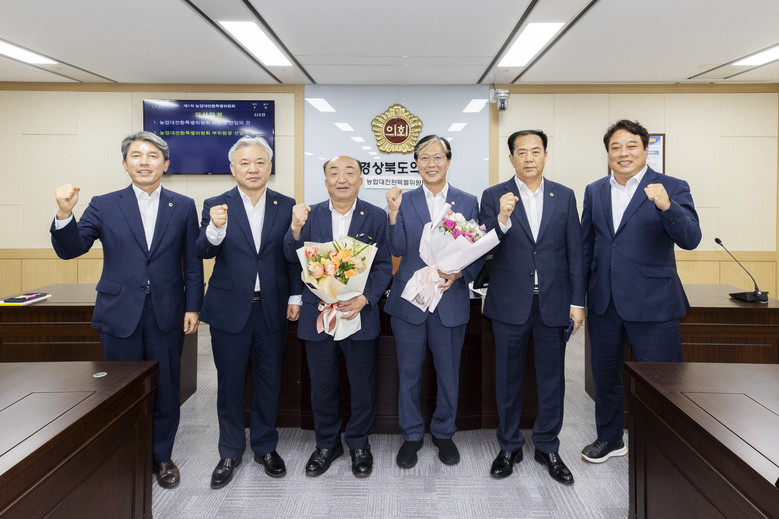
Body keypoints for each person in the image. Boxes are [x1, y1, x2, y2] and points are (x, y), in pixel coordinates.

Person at [51, 131, 203, 489]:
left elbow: (192, 262)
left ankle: (161, 456)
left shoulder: (183, 206)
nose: (144, 162)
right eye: (136, 155)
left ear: (166, 164)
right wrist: (64, 213)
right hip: (119, 312)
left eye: (153, 156)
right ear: (125, 164)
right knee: (119, 388)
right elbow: (71, 249)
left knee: (166, 387)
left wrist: (193, 306)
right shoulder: (104, 204)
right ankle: (124, 455)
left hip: (167, 311)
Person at [581, 119, 701, 463]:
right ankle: (609, 438)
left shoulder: (671, 187)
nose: (624, 153)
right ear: (608, 153)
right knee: (606, 376)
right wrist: (579, 298)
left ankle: (663, 445)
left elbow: (691, 239)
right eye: (616, 147)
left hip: (654, 303)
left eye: (632, 146)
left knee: (661, 379)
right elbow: (587, 246)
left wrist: (667, 206)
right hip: (604, 302)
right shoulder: (595, 190)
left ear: (646, 150)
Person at [479, 129, 584, 484]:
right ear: (511, 159)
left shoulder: (564, 195)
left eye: (535, 151)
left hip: (553, 302)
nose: (528, 158)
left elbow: (575, 252)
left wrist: (577, 302)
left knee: (552, 379)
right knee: (507, 379)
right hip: (509, 302)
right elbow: (481, 247)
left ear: (545, 155)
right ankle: (509, 446)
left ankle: (547, 446)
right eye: (521, 152)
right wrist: (502, 219)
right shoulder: (494, 195)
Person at [197, 136, 301, 489]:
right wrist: (215, 227)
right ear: (233, 168)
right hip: (229, 310)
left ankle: (265, 446)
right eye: (244, 163)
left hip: (271, 308)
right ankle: (229, 451)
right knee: (229, 383)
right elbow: (202, 251)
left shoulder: (286, 205)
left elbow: (293, 257)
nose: (252, 169)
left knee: (269, 381)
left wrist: (296, 296)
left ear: (270, 166)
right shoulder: (216, 205)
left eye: (259, 162)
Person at [284, 155, 392, 478]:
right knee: (322, 385)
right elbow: (290, 256)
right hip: (318, 315)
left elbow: (383, 265)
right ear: (325, 181)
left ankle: (359, 443)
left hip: (359, 314)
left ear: (360, 180)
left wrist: (365, 298)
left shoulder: (375, 216)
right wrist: (295, 228)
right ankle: (327, 444)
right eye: (334, 173)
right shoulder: (309, 214)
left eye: (349, 173)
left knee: (362, 385)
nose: (341, 179)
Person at [384, 134, 483, 469]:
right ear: (415, 163)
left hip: (449, 300)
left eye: (437, 157)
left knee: (448, 374)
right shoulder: (404, 200)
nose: (431, 163)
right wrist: (393, 214)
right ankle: (411, 436)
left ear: (448, 161)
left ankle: (443, 433)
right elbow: (397, 248)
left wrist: (461, 273)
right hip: (410, 301)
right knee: (409, 373)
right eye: (424, 157)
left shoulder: (467, 201)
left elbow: (478, 248)